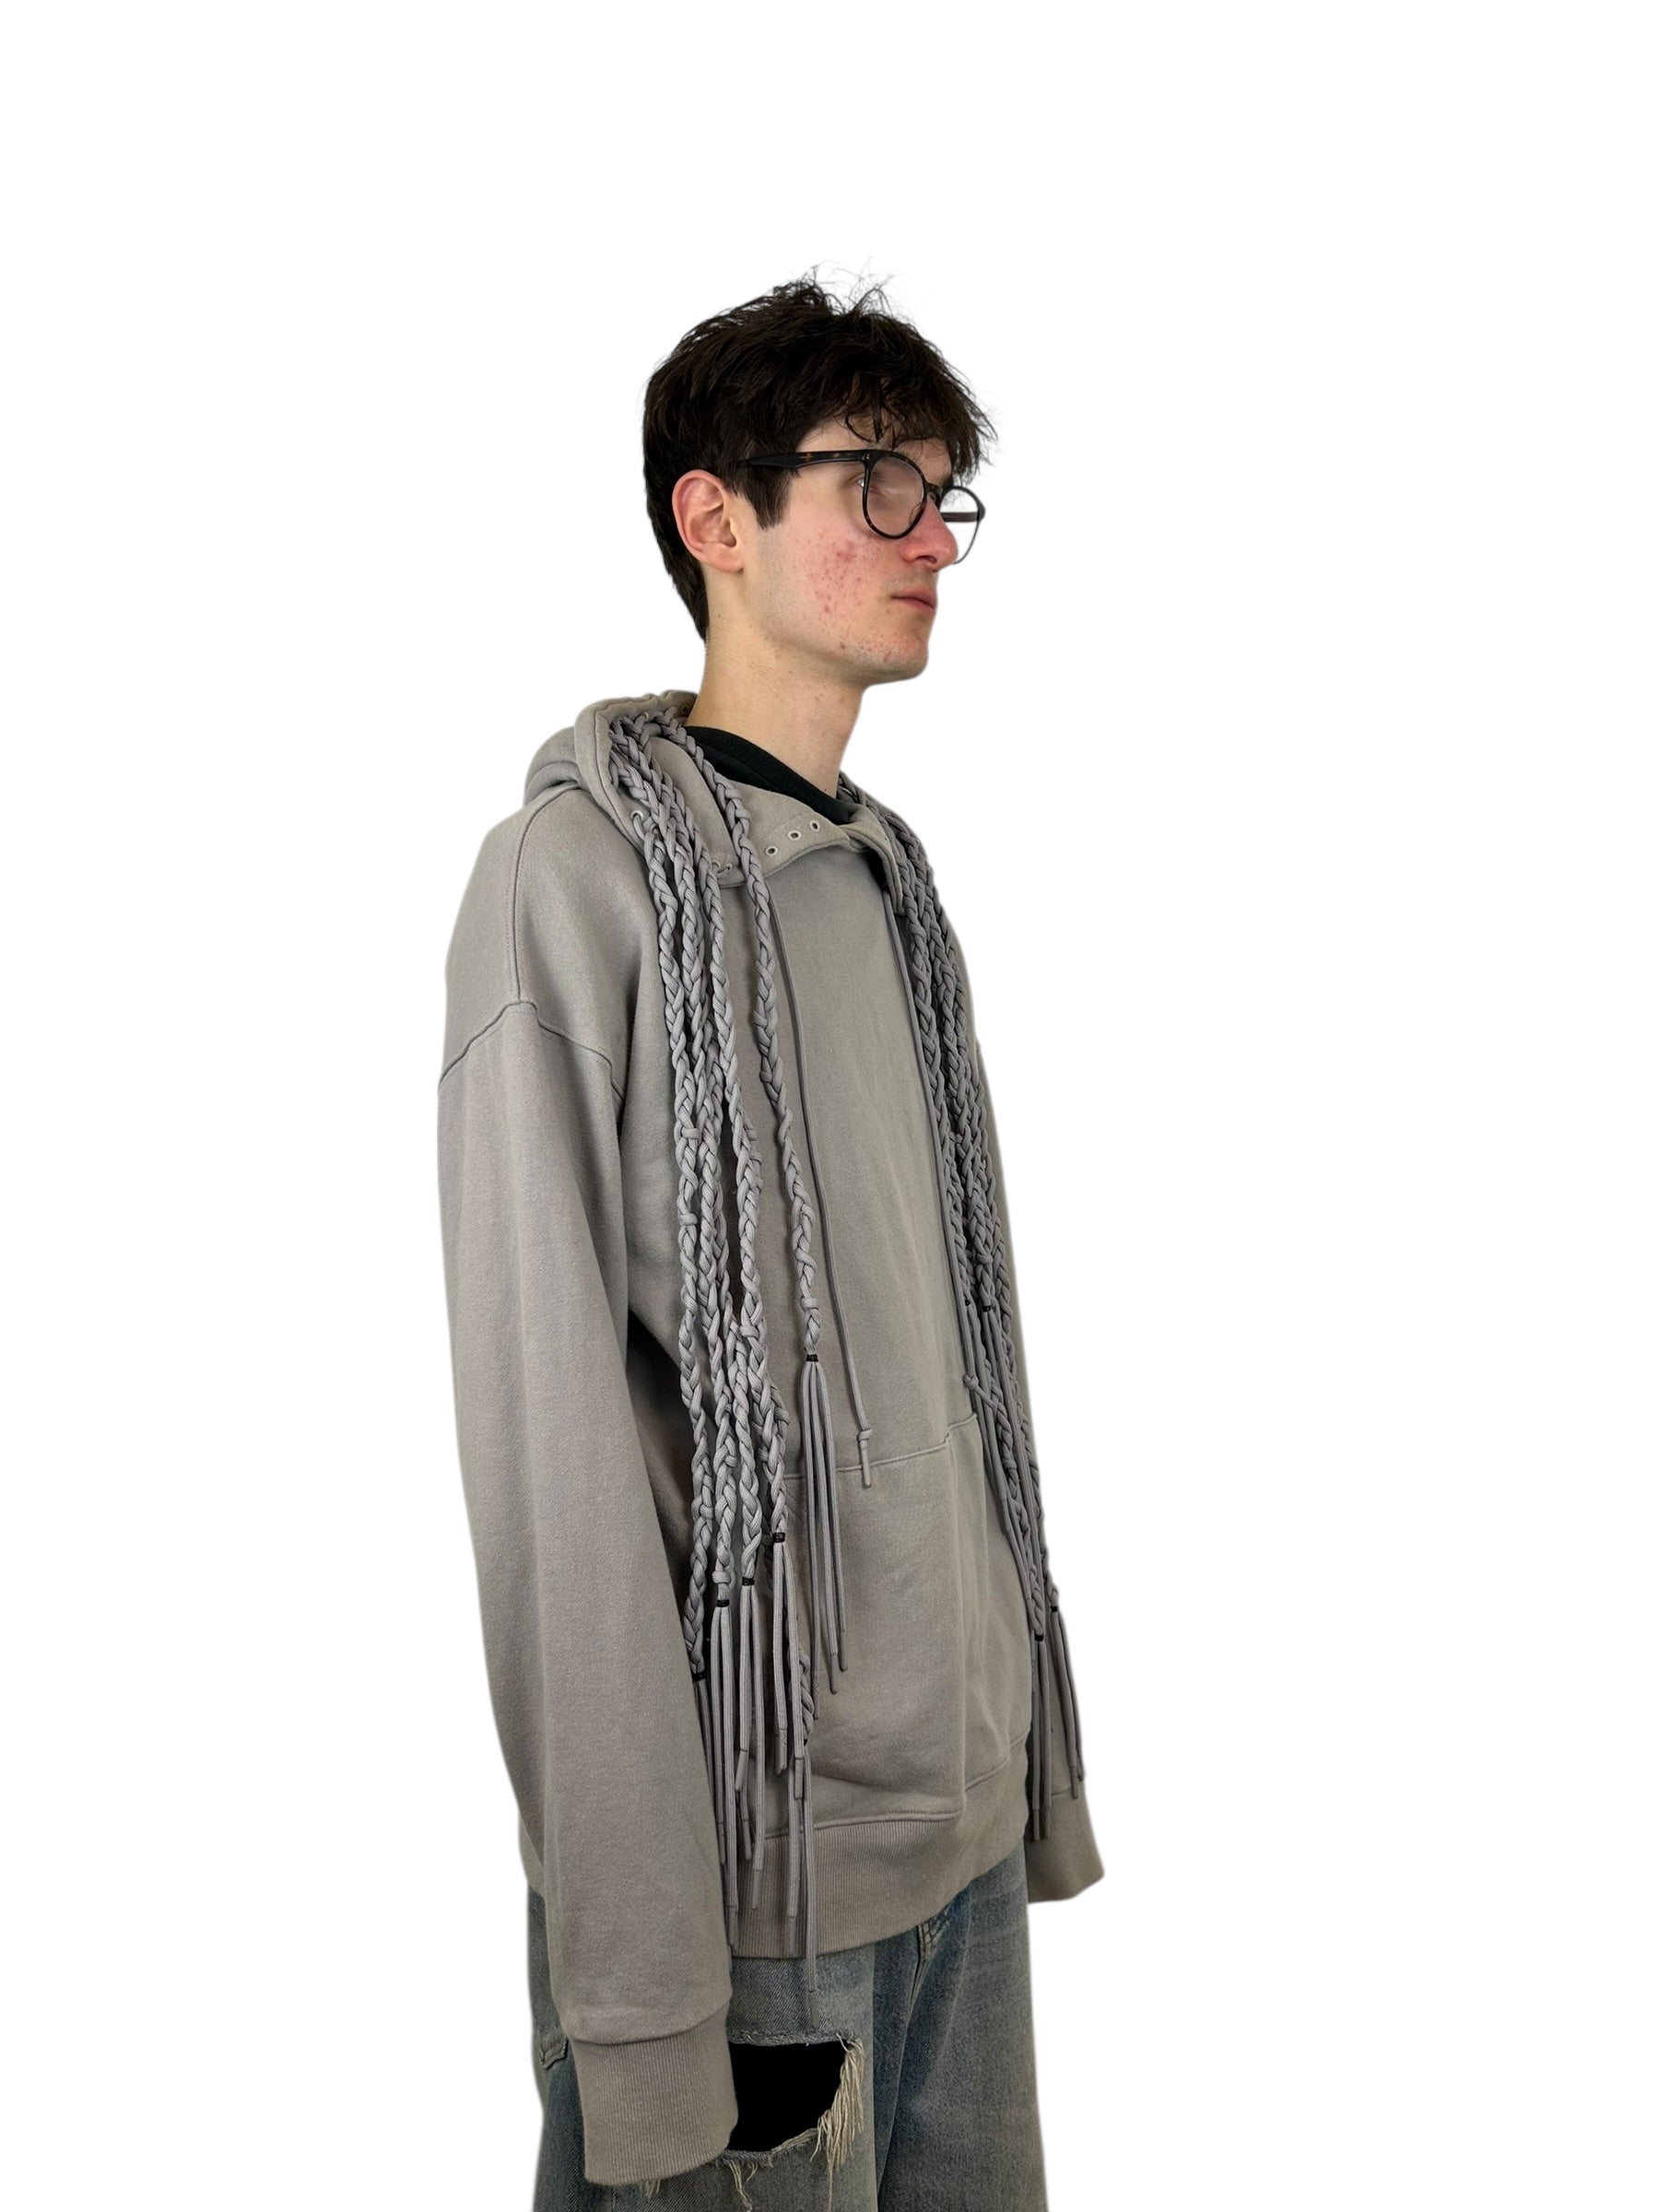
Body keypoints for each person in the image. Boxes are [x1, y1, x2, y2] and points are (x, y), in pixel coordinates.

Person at [437, 276, 1103, 2209]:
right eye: (877, 483)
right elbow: (552, 1460)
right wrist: (645, 1991)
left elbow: (964, 1380)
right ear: (713, 519)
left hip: (958, 1842)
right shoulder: (570, 885)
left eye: (943, 495)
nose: (929, 540)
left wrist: (1025, 1777)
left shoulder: (889, 883)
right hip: (751, 1894)